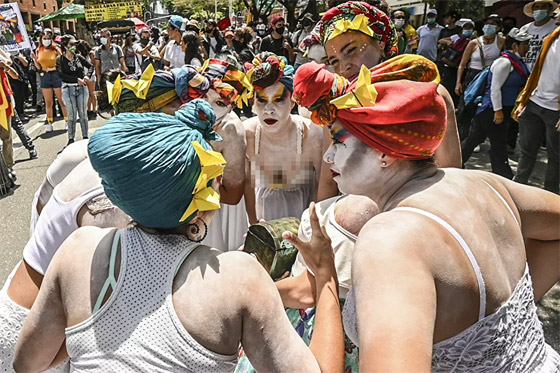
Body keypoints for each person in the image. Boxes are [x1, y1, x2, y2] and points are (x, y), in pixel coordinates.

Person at [13, 99, 344, 372]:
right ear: (207, 195)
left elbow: (27, 362)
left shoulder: (79, 249)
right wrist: (326, 274)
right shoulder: (239, 277)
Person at [293, 55, 560, 372]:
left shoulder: (390, 240)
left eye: (338, 140)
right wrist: (511, 313)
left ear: (384, 150)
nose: (327, 154)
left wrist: (326, 277)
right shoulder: (486, 184)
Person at [315, 1, 462, 200]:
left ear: (382, 44)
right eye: (334, 61)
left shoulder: (431, 93)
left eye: (351, 50)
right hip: (352, 214)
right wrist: (318, 222)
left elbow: (451, 174)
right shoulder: (337, 104)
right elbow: (328, 178)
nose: (344, 67)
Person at [244, 53, 323, 223]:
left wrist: (310, 227)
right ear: (253, 102)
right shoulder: (247, 134)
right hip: (262, 216)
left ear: (293, 102)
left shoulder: (312, 135)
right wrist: (254, 224)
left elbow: (322, 185)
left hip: (304, 217)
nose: (269, 110)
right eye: (262, 101)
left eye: (279, 100)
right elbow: (247, 187)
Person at [462, 28, 531, 179]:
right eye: (525, 44)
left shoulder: (516, 62)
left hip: (499, 109)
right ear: (515, 46)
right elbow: (495, 88)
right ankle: (504, 175)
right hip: (492, 109)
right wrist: (497, 111)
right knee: (498, 143)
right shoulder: (504, 62)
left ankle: (456, 161)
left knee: (476, 137)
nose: (528, 48)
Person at [513, 26, 559, 194]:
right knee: (526, 152)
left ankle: (552, 198)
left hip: (556, 110)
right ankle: (519, 190)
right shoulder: (551, 38)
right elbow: (537, 72)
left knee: (556, 158)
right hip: (534, 102)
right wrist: (523, 101)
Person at [455, 14, 505, 140]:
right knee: (466, 106)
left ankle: (475, 136)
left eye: (493, 24)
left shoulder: (501, 41)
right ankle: (462, 135)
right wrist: (458, 82)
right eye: (487, 23)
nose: (489, 27)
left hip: (490, 77)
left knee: (482, 107)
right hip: (472, 77)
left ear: (498, 27)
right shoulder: (474, 43)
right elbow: (462, 64)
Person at [57, 35, 92, 146]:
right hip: (68, 88)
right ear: (65, 46)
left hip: (82, 89)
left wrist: (87, 76)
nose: (73, 47)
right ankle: (71, 138)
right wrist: (76, 80)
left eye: (74, 44)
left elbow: (90, 66)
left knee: (83, 113)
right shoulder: (60, 60)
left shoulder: (79, 57)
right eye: (71, 45)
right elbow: (61, 75)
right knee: (71, 115)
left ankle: (85, 137)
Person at [33, 31, 68, 132]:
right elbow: (38, 66)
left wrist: (54, 68)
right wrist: (34, 60)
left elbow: (62, 62)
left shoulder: (56, 49)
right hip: (45, 77)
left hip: (56, 75)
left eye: (48, 38)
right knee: (48, 102)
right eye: (44, 38)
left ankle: (67, 121)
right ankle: (50, 123)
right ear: (41, 39)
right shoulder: (38, 50)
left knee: (62, 100)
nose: (46, 40)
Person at [437, 18, 476, 106]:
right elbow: (440, 40)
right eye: (466, 27)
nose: (467, 30)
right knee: (447, 88)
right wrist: (448, 42)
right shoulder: (456, 37)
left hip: (463, 69)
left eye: (470, 28)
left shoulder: (475, 41)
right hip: (450, 67)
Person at [520, 0, 558, 71]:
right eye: (537, 7)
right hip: (525, 71)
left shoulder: (556, 28)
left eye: (544, 7)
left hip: (546, 71)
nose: (540, 9)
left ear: (549, 9)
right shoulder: (525, 28)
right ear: (533, 10)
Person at [0, 48, 18, 182]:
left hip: (4, 103)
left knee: (7, 137)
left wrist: (4, 66)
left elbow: (14, 74)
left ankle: (9, 166)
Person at [76, 40, 98, 120]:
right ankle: (89, 110)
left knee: (92, 93)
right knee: (87, 94)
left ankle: (95, 110)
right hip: (84, 76)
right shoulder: (79, 55)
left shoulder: (91, 53)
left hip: (91, 75)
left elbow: (93, 64)